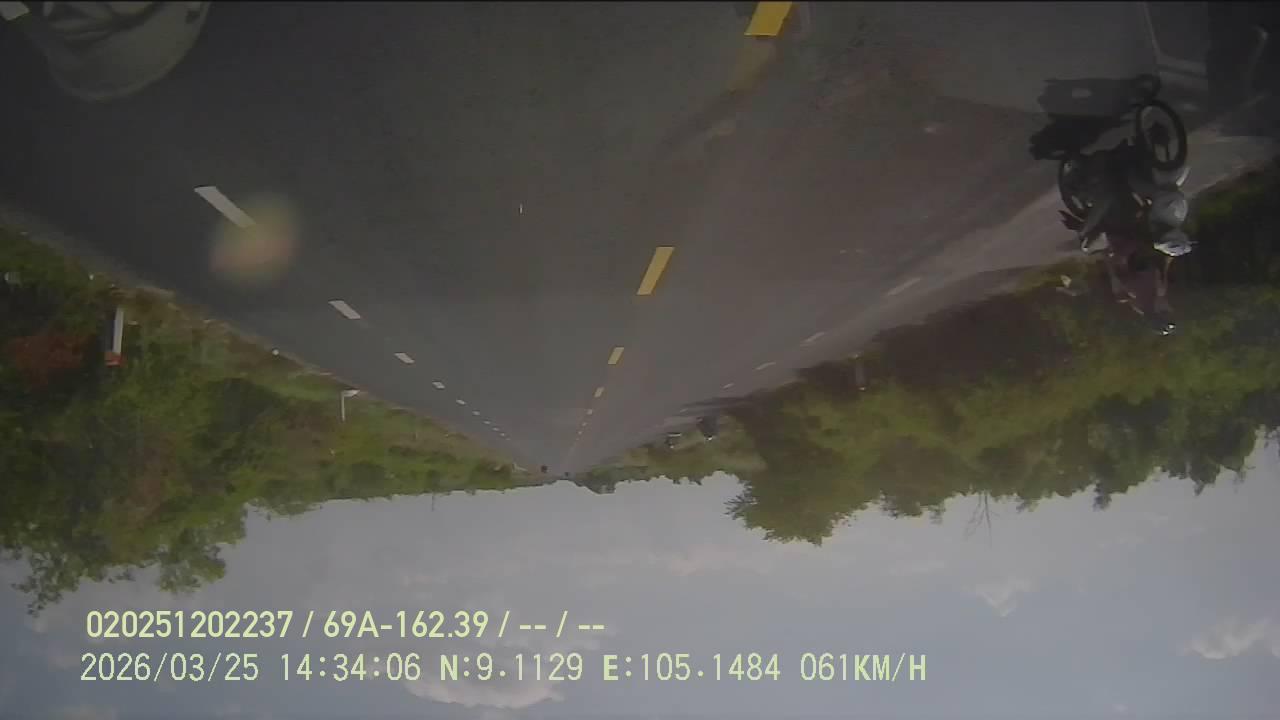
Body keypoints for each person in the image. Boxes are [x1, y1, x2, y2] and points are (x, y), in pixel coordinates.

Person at [1073, 141, 1193, 259]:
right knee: (1129, 177)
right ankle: (1124, 156)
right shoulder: (1165, 216)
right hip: (1155, 189)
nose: (1157, 234)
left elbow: (1144, 209)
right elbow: (1146, 202)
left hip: (1156, 192)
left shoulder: (1164, 222)